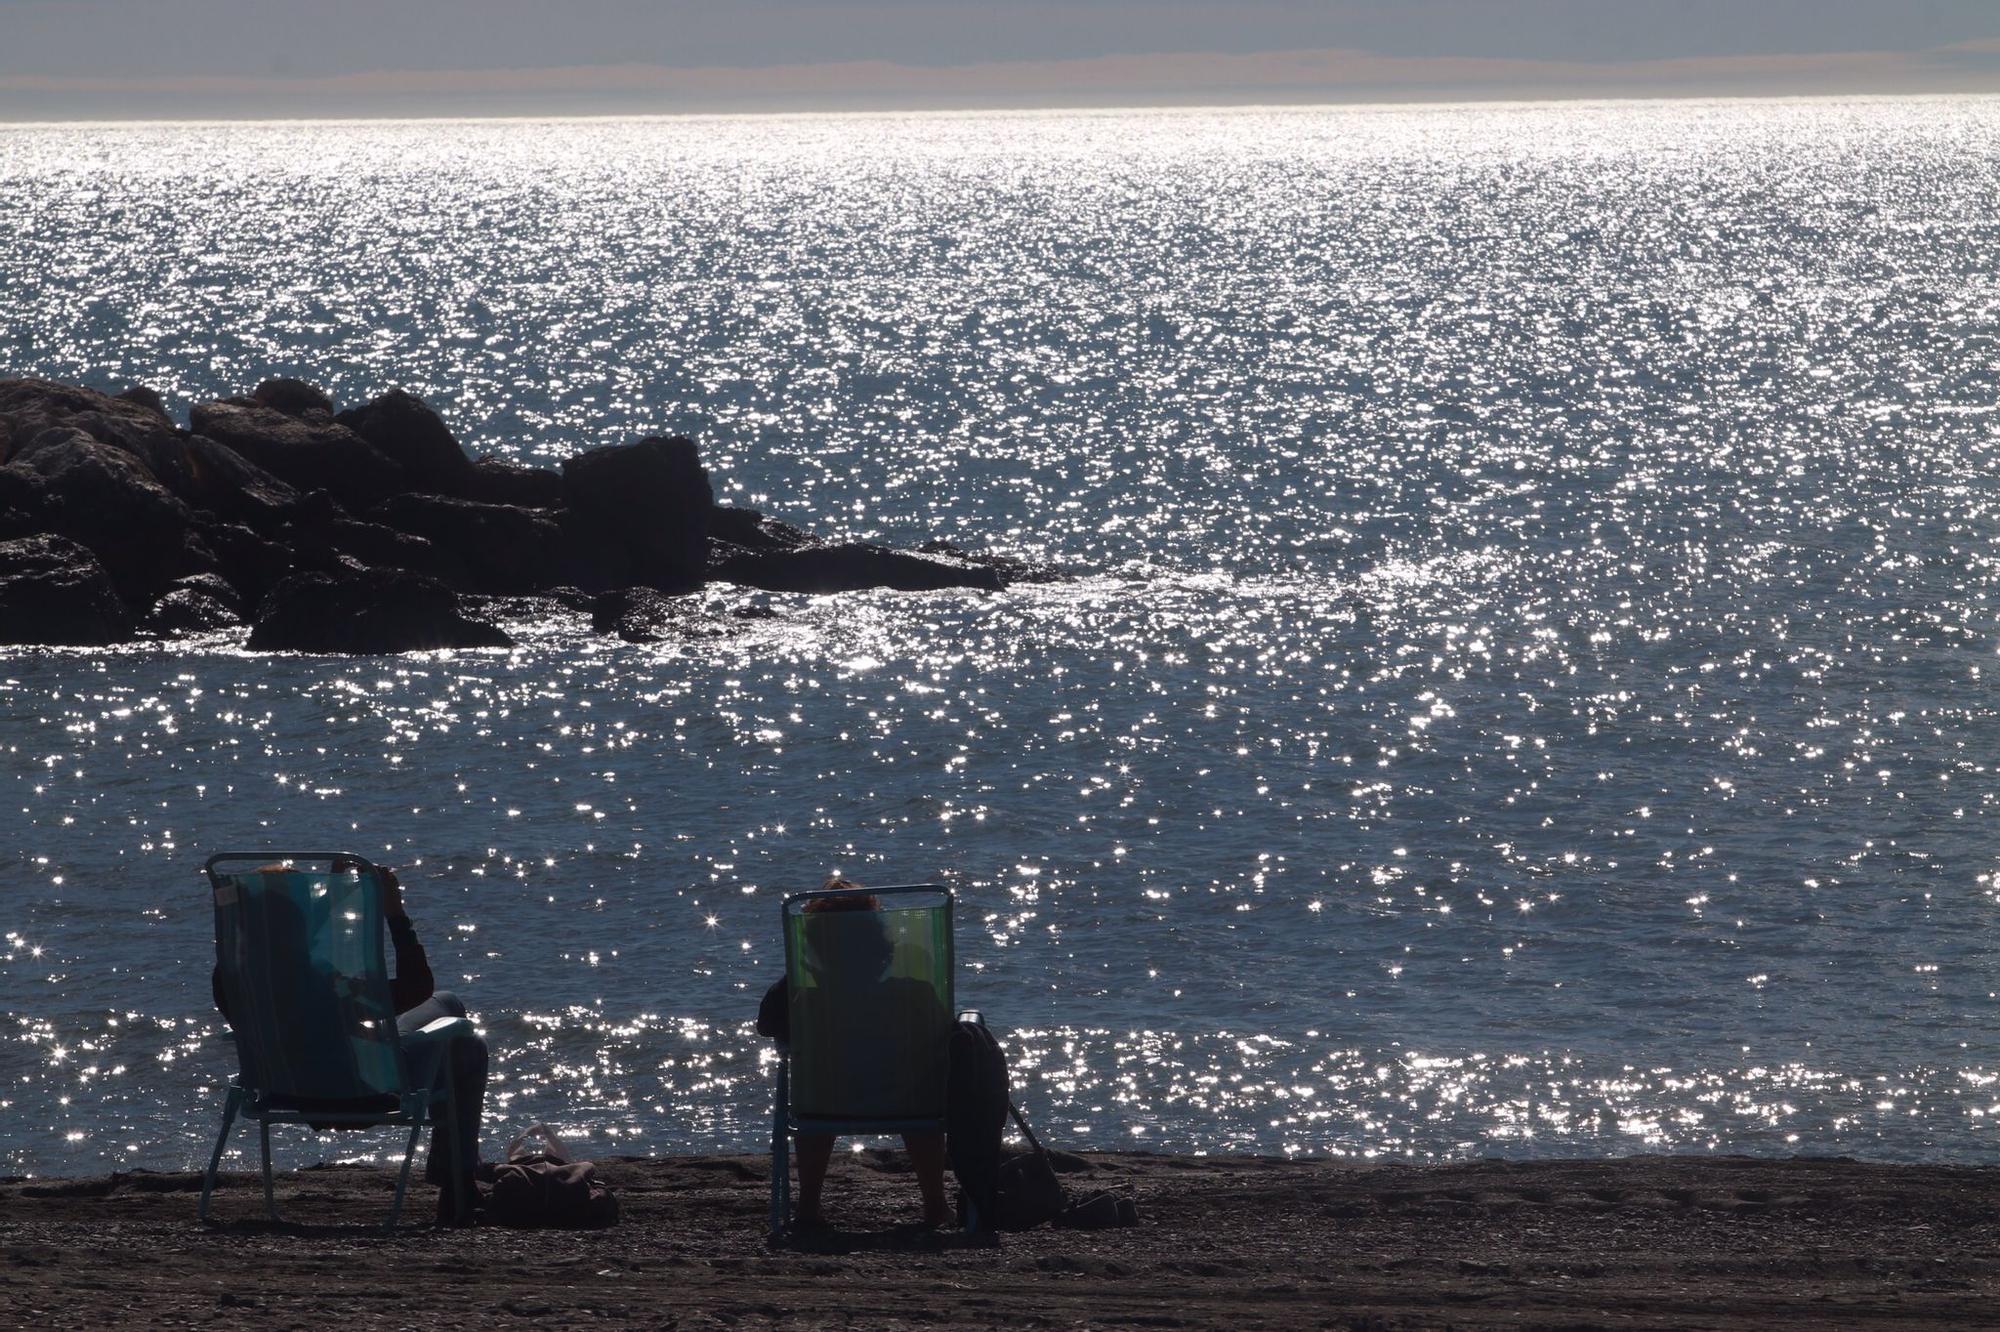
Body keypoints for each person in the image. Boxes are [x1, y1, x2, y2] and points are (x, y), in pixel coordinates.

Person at [211, 858, 488, 1225]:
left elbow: (284, 943)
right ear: (297, 923)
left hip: (285, 1088)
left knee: (449, 1005)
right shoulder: (322, 978)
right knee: (465, 1041)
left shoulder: (230, 978)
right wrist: (395, 914)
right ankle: (457, 1183)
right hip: (359, 1092)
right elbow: (418, 989)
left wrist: (336, 886)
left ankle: (458, 1175)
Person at [758, 876, 951, 1230]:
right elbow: (944, 1032)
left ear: (813, 948)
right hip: (908, 1102)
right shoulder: (916, 993)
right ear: (882, 946)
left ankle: (808, 1209)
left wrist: (803, 973)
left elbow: (766, 1026)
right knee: (922, 1089)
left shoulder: (803, 1000)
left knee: (815, 1085)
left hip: (824, 1103)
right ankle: (935, 1204)